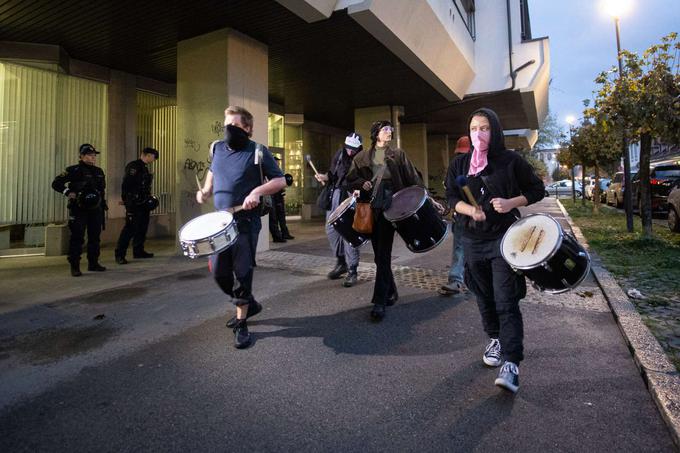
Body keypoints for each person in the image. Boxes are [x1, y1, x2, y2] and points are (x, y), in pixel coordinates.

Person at [446, 108, 544, 393]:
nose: (479, 134)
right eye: (474, 128)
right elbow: (452, 196)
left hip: (505, 239)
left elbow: (537, 190)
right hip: (472, 240)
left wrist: (511, 202)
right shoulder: (460, 164)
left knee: (506, 299)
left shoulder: (511, 161)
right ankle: (495, 339)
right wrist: (468, 209)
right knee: (484, 295)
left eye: (485, 128)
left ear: (496, 130)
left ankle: (512, 362)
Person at [196, 106, 286, 349]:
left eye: (234, 126)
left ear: (247, 128)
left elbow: (279, 180)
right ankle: (249, 304)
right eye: (227, 125)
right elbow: (213, 172)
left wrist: (256, 192)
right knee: (218, 271)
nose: (229, 130)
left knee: (242, 271)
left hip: (245, 220)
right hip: (219, 221)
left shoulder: (257, 151)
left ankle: (241, 322)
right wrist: (205, 191)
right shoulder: (216, 148)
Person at [347, 121, 444, 321]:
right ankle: (391, 291)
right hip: (373, 207)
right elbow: (350, 178)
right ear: (376, 134)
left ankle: (379, 302)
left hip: (396, 206)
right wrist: (361, 183)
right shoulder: (361, 157)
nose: (389, 132)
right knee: (379, 256)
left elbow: (413, 180)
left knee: (383, 255)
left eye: (390, 129)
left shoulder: (398, 154)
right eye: (385, 130)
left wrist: (429, 199)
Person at [315, 132, 363, 287]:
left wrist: (360, 190)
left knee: (349, 233)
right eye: (348, 148)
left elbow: (367, 179)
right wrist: (324, 177)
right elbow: (332, 174)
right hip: (335, 194)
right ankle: (341, 262)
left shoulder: (363, 159)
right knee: (331, 229)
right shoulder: (340, 155)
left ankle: (352, 270)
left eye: (353, 149)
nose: (350, 151)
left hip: (351, 196)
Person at [52, 144, 108, 277]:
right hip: (79, 209)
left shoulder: (99, 171)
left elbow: (101, 191)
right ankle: (75, 266)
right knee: (77, 238)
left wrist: (103, 206)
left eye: (94, 155)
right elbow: (56, 183)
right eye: (89, 155)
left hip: (95, 209)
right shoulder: (73, 170)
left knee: (95, 237)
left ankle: (93, 263)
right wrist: (67, 192)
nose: (92, 158)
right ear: (81, 156)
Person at [115, 147, 159, 264]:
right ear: (147, 155)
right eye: (153, 158)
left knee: (142, 227)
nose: (153, 160)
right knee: (130, 228)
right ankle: (120, 254)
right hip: (134, 203)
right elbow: (126, 184)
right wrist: (126, 200)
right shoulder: (134, 166)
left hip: (143, 202)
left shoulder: (144, 168)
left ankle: (138, 251)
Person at [439, 136, 470, 296]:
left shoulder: (480, 165)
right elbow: (449, 190)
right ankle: (456, 280)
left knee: (474, 249)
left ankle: (471, 282)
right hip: (461, 214)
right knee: (460, 247)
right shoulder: (455, 166)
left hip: (477, 216)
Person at [269, 156, 295, 243]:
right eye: (276, 162)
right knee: (273, 217)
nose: (278, 163)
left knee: (281, 216)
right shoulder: (270, 171)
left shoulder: (278, 171)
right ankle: (277, 236)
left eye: (278, 162)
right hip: (273, 196)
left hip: (279, 196)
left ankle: (285, 233)